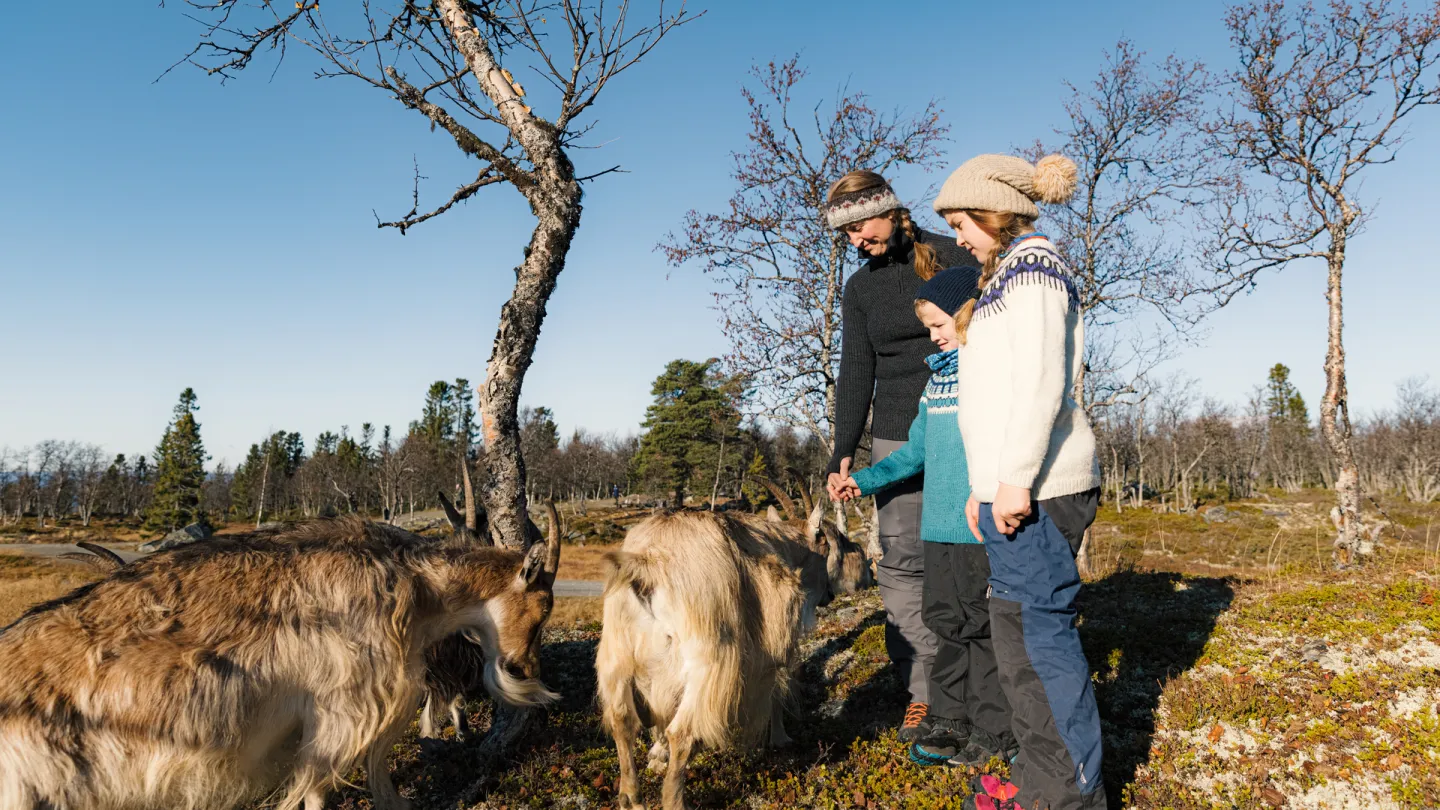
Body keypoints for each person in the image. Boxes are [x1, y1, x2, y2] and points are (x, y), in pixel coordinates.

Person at [932, 153, 1105, 810]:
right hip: (1010, 489)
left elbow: (1038, 383)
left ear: (996, 211)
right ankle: (1042, 784)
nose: (957, 236)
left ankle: (1067, 799)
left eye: (961, 221)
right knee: (1018, 643)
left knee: (1038, 650)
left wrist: (1013, 481)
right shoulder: (1005, 275)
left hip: (1039, 484)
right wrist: (983, 486)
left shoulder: (1035, 268)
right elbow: (991, 397)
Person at [832, 266, 1015, 771]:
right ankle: (950, 718)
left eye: (939, 326)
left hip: (980, 532)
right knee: (946, 624)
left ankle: (993, 726)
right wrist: (862, 479)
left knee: (982, 628)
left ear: (969, 316)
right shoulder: (936, 384)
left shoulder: (995, 378)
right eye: (929, 327)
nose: (932, 337)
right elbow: (914, 453)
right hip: (936, 531)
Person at [823, 170, 978, 741]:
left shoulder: (952, 255)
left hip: (965, 424)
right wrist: (844, 449)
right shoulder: (860, 289)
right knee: (904, 561)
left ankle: (980, 681)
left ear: (889, 210)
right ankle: (923, 691)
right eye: (845, 235)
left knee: (969, 555)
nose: (856, 241)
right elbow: (856, 371)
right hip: (895, 433)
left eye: (860, 226)